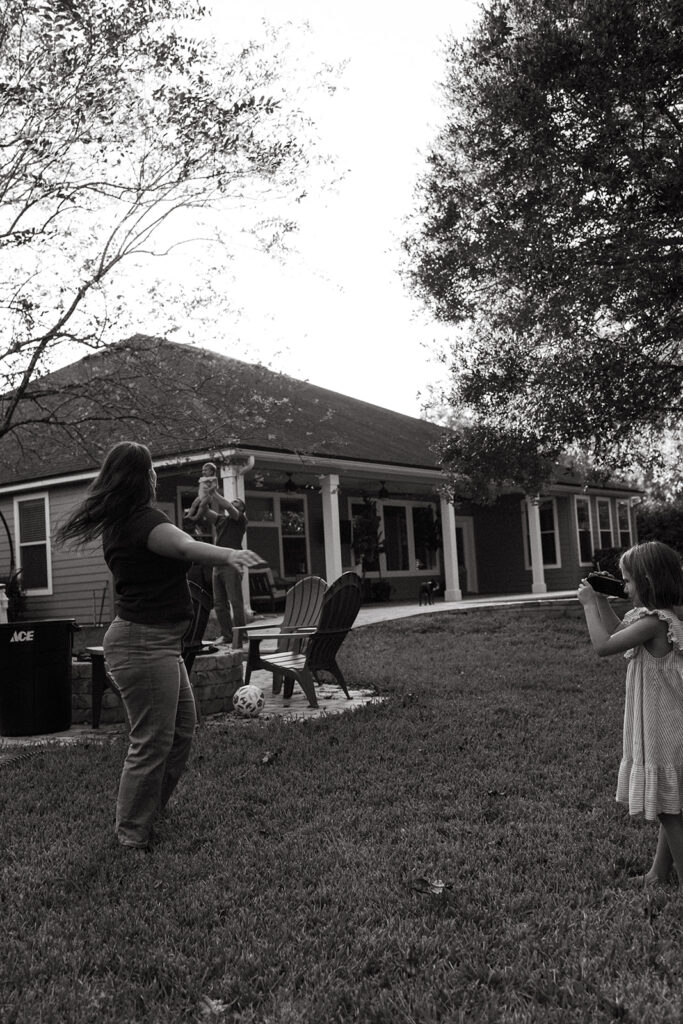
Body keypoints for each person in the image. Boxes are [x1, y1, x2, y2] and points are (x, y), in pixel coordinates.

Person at [55, 441, 263, 852]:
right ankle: (132, 835)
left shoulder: (123, 521)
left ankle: (150, 810)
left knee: (182, 730)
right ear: (142, 477)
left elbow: (183, 539)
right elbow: (185, 546)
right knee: (151, 740)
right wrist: (231, 554)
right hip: (143, 644)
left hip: (154, 643)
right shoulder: (144, 521)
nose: (154, 475)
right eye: (150, 469)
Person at [578, 540, 683, 888]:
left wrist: (590, 605)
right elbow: (618, 633)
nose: (625, 587)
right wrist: (605, 600)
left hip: (665, 729)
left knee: (670, 813)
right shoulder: (656, 617)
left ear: (649, 581)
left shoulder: (655, 623)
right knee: (672, 807)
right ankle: (657, 872)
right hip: (668, 725)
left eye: (629, 581)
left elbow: (603, 645)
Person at [206, 496, 248, 649]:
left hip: (232, 564)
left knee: (235, 601)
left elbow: (229, 507)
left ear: (242, 509)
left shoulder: (240, 520)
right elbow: (205, 511)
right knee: (219, 604)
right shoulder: (221, 519)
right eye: (233, 501)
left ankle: (241, 636)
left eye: (237, 502)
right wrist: (204, 496)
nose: (232, 503)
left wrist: (214, 493)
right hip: (217, 564)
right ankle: (227, 635)